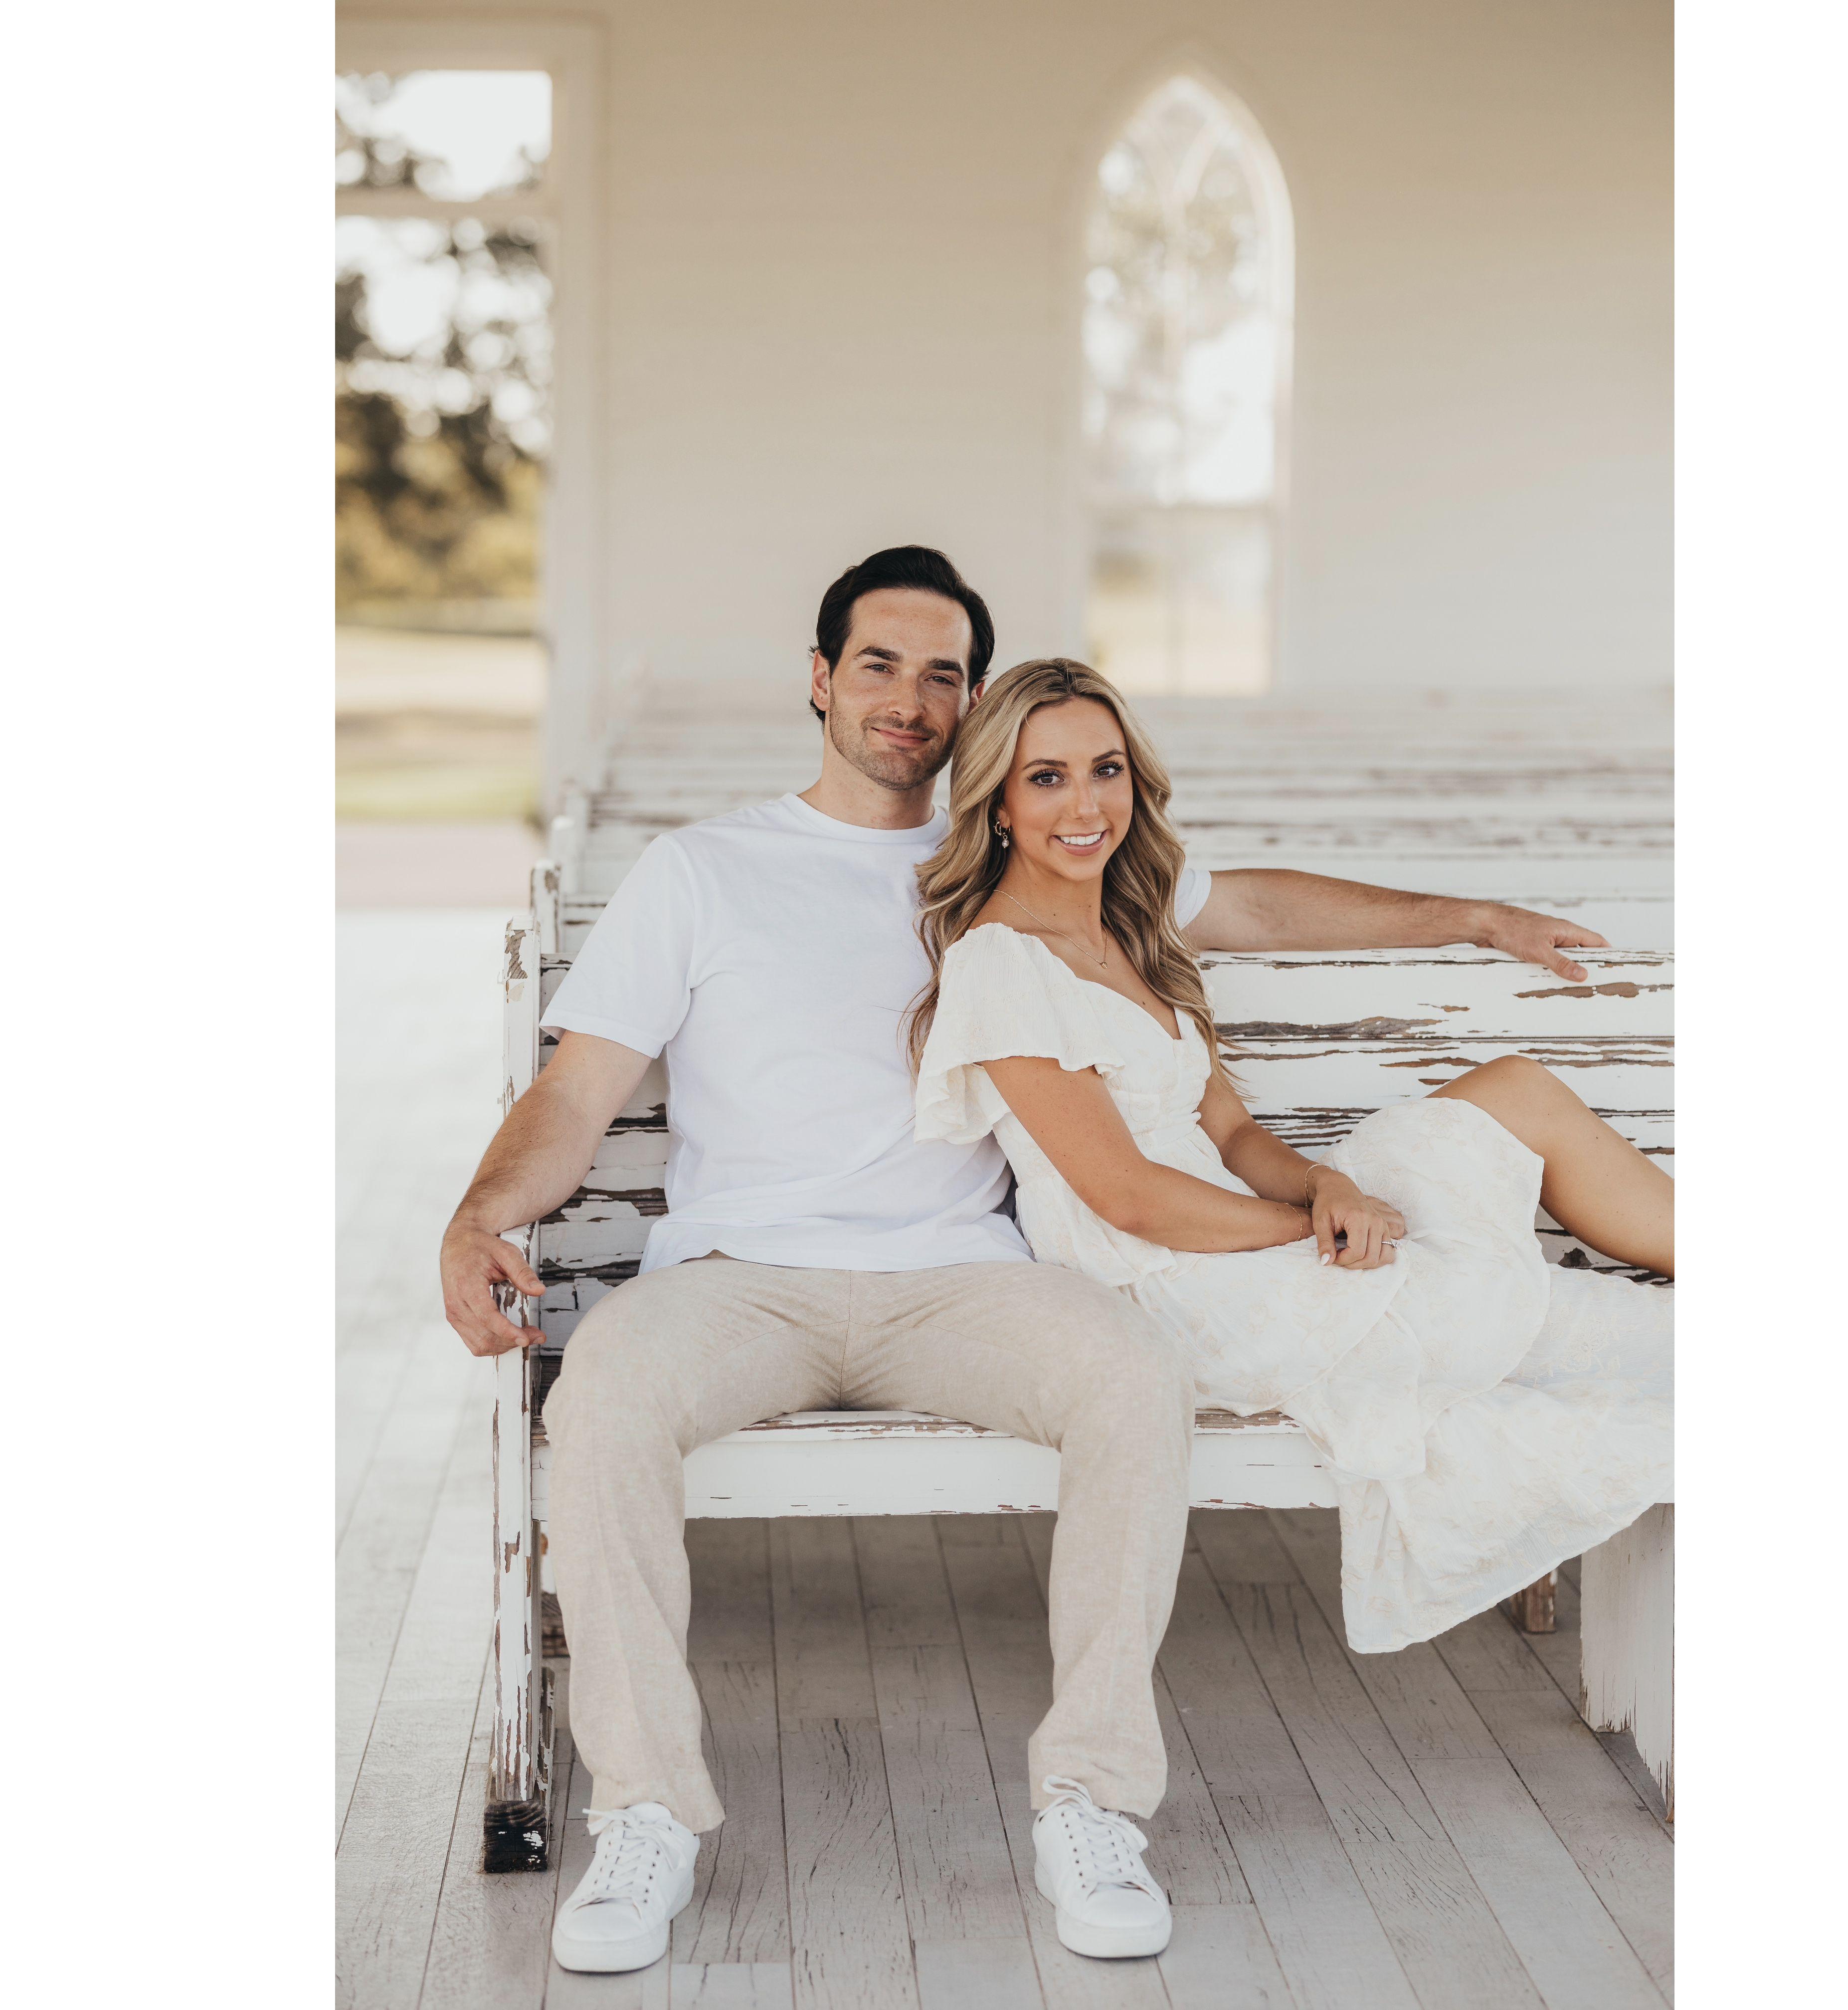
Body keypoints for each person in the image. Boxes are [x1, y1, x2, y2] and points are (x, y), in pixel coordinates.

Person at [437, 547, 1620, 1976]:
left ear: (974, 701)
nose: (907, 698)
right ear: (819, 679)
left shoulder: (1018, 863)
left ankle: (1091, 1799)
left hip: (963, 1276)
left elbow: (1247, 906)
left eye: (941, 673)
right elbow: (576, 1092)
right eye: (877, 664)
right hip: (742, 1274)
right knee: (603, 1395)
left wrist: (1470, 916)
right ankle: (643, 1812)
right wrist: (479, 1213)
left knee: (1128, 1377)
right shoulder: (702, 870)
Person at [910, 655, 1672, 1656]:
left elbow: (1230, 1134)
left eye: (1106, 769)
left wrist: (1325, 1184)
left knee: (1510, 1092)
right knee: (1631, 1339)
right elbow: (1126, 1196)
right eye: (1046, 777)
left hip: (1246, 1230)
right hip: (1177, 1286)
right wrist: (1306, 1226)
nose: (1085, 804)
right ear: (999, 803)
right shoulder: (1000, 961)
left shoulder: (1127, 928)